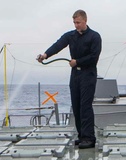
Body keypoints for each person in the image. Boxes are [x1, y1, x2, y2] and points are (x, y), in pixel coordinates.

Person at [37, 10, 102, 148]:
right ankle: (81, 135)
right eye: (74, 23)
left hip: (88, 74)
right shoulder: (71, 36)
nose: (76, 25)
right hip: (75, 76)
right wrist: (45, 55)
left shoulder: (94, 37)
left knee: (85, 106)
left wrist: (77, 62)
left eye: (78, 22)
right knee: (76, 106)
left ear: (85, 20)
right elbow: (58, 45)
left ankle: (89, 138)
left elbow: (94, 57)